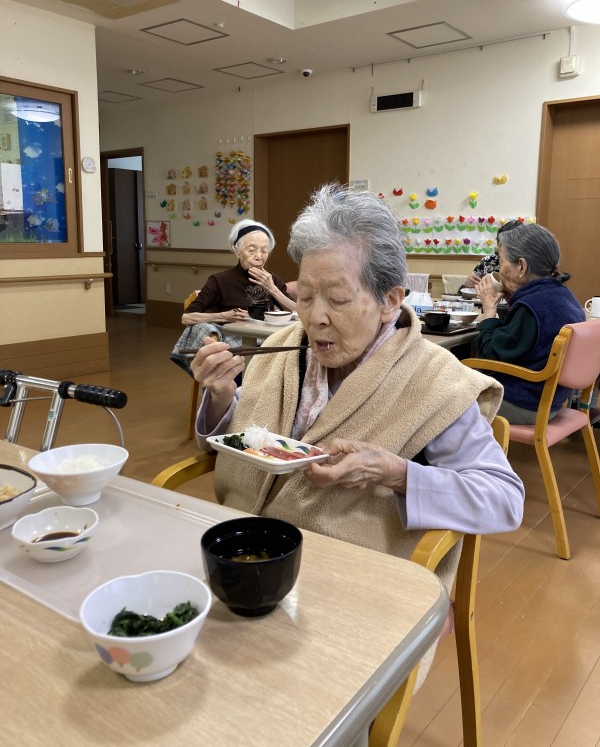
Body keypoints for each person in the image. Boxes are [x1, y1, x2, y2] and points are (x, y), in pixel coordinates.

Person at [190, 185, 524, 623]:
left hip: (353, 582)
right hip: (241, 557)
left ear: (389, 301)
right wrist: (220, 397)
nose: (315, 318)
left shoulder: (435, 380)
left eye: (338, 299)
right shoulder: (279, 348)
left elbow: (503, 500)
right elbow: (243, 435)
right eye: (305, 297)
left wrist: (394, 473)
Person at [476, 223, 585, 424]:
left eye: (502, 261)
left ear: (521, 266)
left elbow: (489, 358)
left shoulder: (532, 307)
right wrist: (513, 298)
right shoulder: (561, 295)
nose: (499, 269)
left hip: (523, 403)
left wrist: (489, 310)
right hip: (551, 400)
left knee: (447, 388)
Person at [170, 219, 295, 375]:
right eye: (251, 250)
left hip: (267, 343)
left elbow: (299, 312)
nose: (259, 256)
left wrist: (272, 289)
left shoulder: (271, 280)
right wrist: (224, 316)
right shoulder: (220, 280)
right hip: (234, 348)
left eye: (264, 251)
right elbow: (187, 317)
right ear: (237, 251)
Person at [460, 219, 524, 291]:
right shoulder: (488, 262)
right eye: (501, 244)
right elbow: (463, 293)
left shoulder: (527, 266)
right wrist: (467, 286)